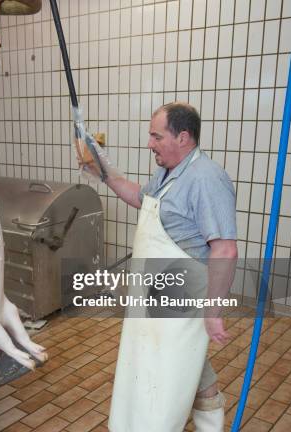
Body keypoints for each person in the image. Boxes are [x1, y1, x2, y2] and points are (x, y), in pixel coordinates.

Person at [83, 102, 237, 431]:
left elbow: (224, 248)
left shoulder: (207, 178)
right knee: (182, 365)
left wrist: (213, 309)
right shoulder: (168, 172)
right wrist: (105, 173)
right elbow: (142, 198)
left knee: (172, 369)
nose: (149, 143)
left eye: (156, 136)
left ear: (183, 137)